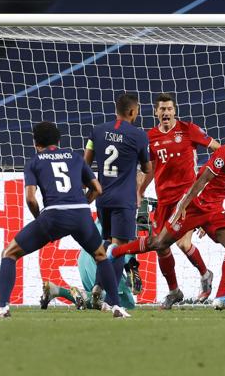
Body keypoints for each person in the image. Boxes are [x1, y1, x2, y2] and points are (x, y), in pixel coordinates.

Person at [111, 112, 225, 312]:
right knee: (159, 242)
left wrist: (212, 219)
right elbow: (201, 180)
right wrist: (183, 206)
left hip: (214, 210)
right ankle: (115, 252)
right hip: (194, 206)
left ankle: (221, 296)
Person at [0, 122, 127, 318]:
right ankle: (117, 307)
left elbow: (30, 197)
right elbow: (98, 189)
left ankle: (3, 306)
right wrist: (83, 203)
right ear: (58, 141)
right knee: (100, 256)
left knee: (9, 253)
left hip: (54, 215)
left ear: (35, 143)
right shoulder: (75, 157)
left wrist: (40, 219)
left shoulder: (34, 161)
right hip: (81, 214)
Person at [138, 93, 219, 308]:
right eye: (162, 109)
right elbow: (151, 168)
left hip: (186, 198)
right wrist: (140, 191)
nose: (166, 113)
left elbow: (217, 148)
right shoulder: (150, 137)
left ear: (175, 111)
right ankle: (175, 290)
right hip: (163, 200)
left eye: (169, 109)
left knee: (183, 243)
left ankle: (205, 275)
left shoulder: (188, 129)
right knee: (160, 247)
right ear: (156, 112)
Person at [83, 93, 152, 313]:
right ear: (132, 111)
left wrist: (87, 190)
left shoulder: (98, 130)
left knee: (106, 243)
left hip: (102, 198)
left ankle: (97, 284)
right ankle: (112, 299)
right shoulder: (139, 135)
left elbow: (86, 163)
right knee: (119, 249)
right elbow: (148, 168)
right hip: (124, 200)